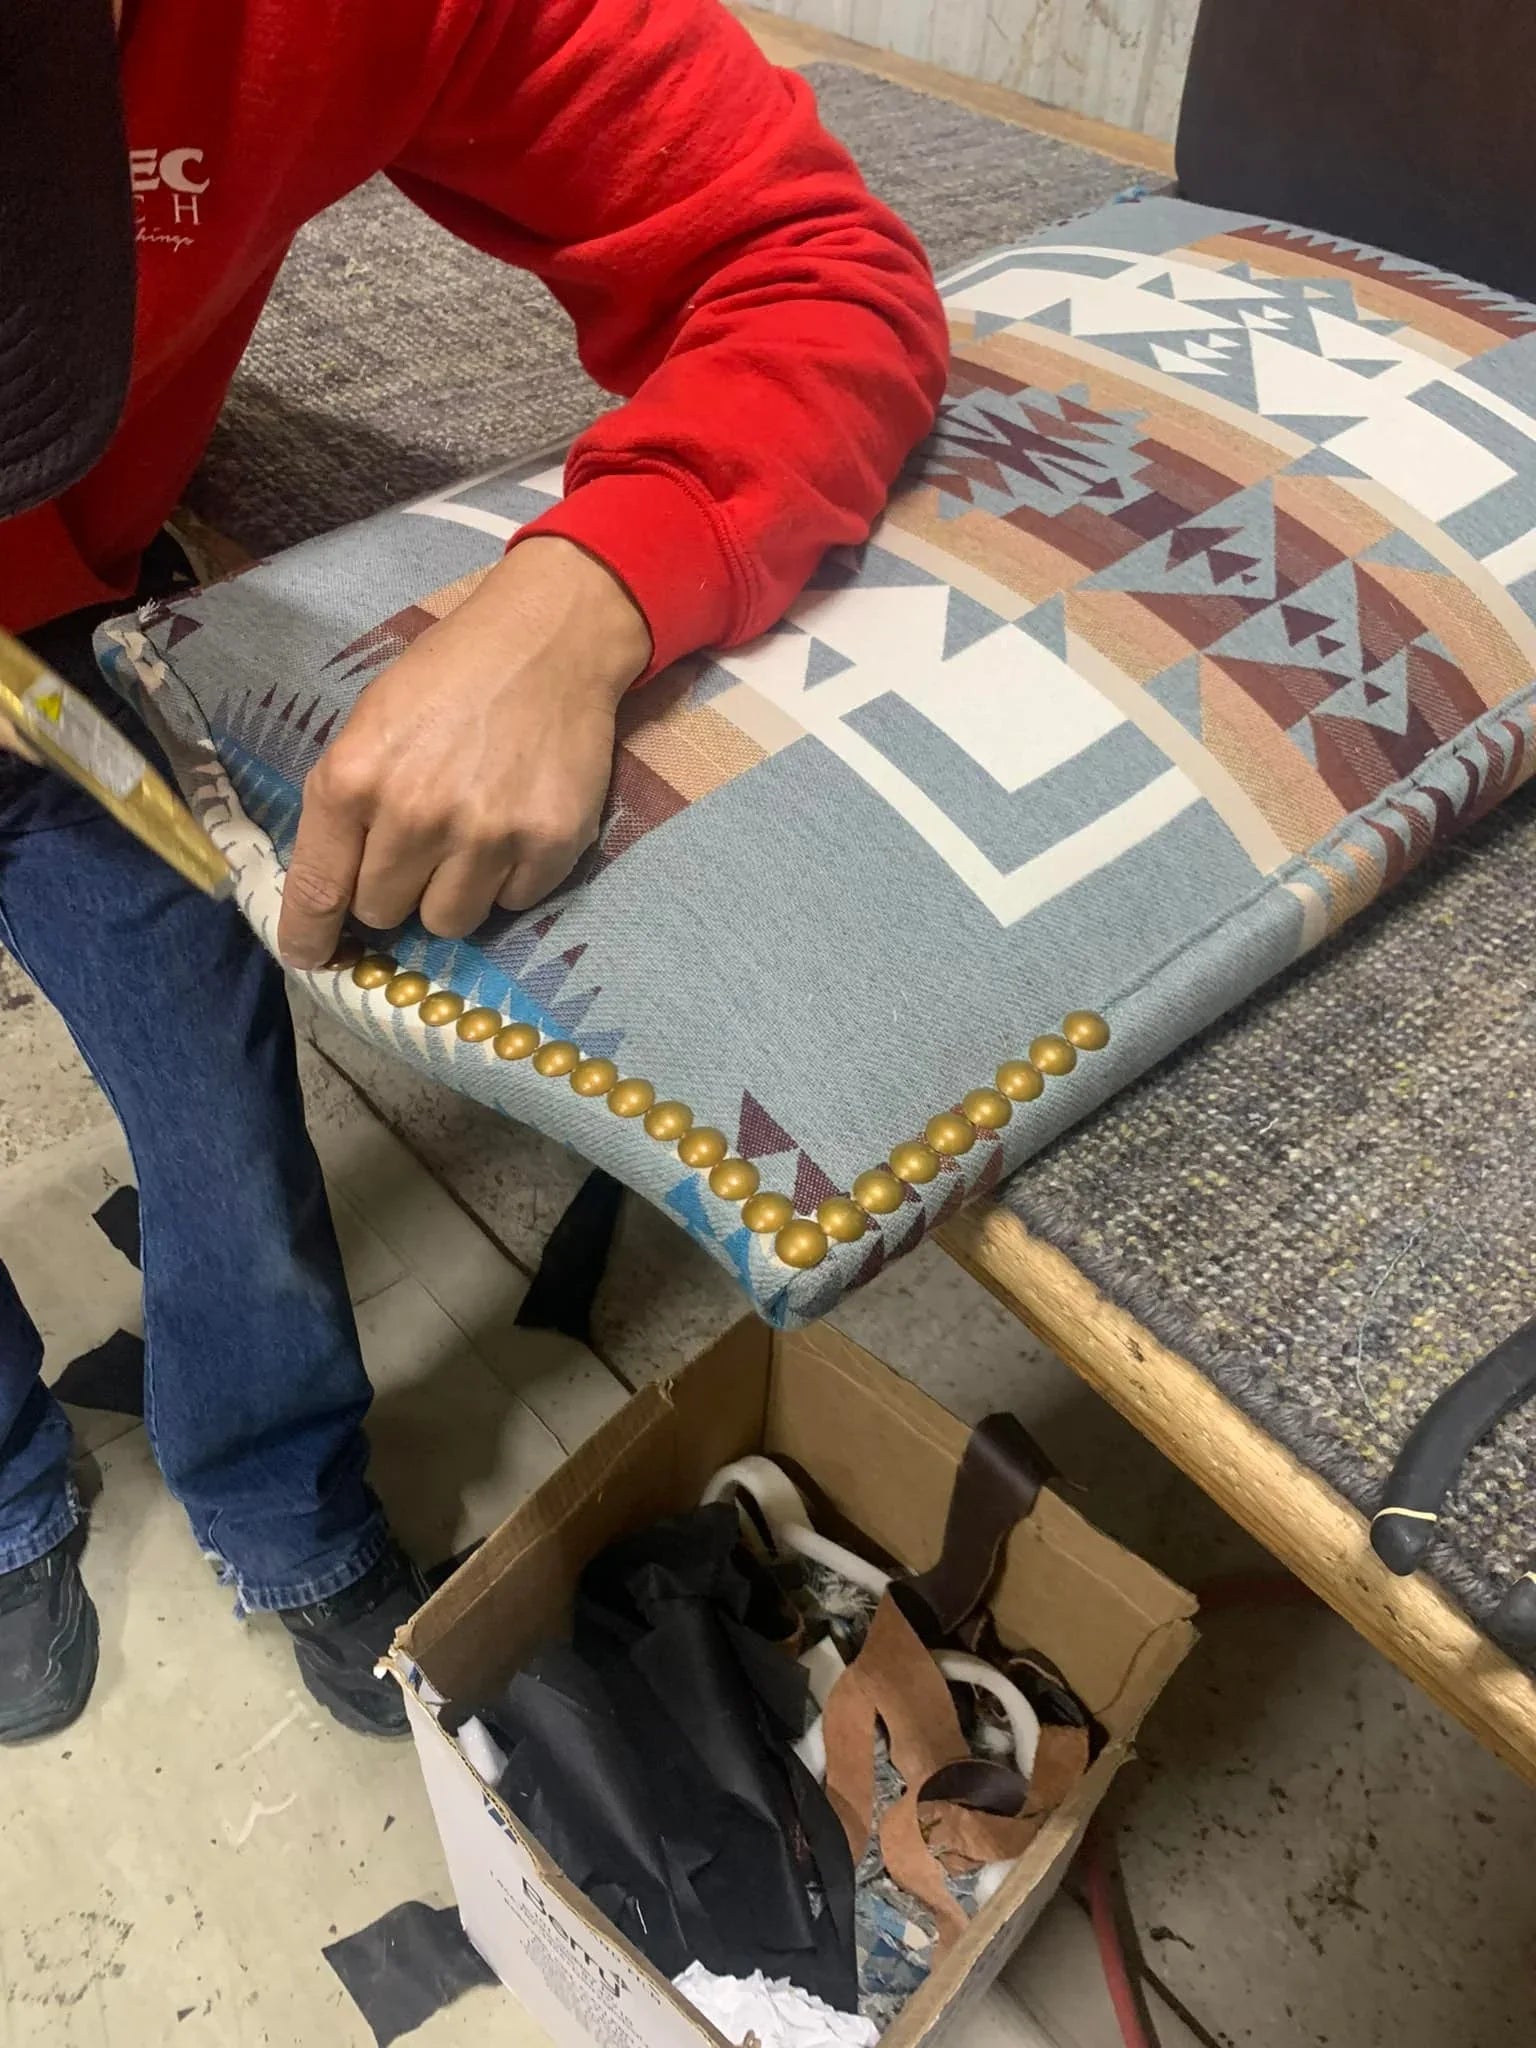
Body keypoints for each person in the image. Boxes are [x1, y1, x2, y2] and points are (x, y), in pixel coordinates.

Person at [0, 0, 947, 1743]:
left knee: (220, 1095)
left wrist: (595, 590)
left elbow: (812, 260)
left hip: (63, 634)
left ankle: (287, 1517)